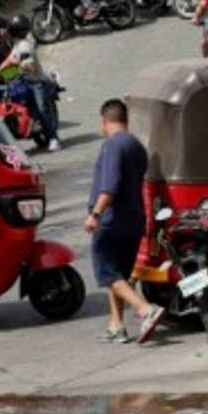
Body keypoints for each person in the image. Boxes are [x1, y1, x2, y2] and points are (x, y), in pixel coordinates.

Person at [86, 99, 164, 344]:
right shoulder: (136, 146)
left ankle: (145, 310)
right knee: (119, 276)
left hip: (111, 220)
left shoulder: (112, 145)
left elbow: (109, 186)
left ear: (104, 121)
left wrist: (95, 215)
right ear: (125, 120)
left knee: (107, 273)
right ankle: (116, 325)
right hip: (134, 221)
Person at [0, 15, 62, 153]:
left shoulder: (25, 46)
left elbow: (30, 67)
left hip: (37, 82)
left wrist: (19, 63)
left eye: (9, 28)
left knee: (42, 108)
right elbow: (9, 60)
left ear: (14, 30)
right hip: (24, 81)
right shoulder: (17, 44)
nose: (6, 31)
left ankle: (54, 139)